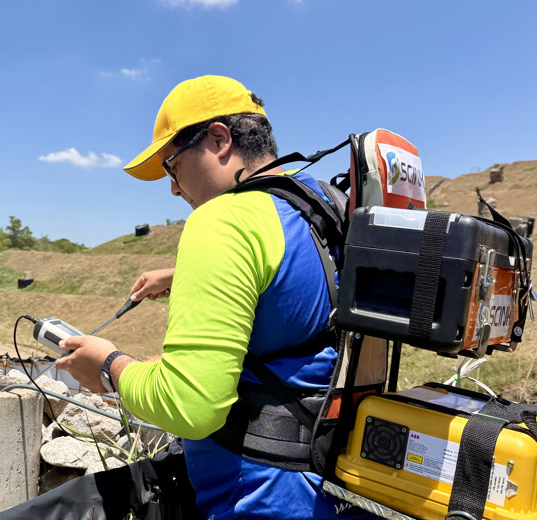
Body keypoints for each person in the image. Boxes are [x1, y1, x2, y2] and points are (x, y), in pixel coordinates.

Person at [57, 76, 376, 520]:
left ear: (219, 139)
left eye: (171, 165)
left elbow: (190, 406)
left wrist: (109, 366)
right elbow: (295, 284)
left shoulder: (220, 222)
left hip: (257, 496)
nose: (172, 187)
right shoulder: (322, 202)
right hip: (331, 483)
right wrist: (182, 274)